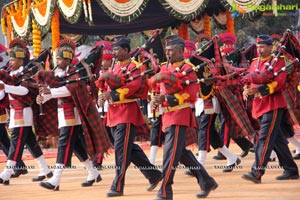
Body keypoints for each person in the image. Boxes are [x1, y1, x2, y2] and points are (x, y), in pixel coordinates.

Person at [37, 39, 111, 190]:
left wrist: (50, 92)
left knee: (64, 143)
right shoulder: (58, 74)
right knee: (76, 144)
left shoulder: (74, 73)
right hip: (62, 112)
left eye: (59, 58)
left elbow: (71, 89)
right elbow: (55, 92)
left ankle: (55, 179)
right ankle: (93, 172)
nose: (57, 60)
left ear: (67, 59)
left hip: (73, 113)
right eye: (56, 58)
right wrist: (43, 97)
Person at [150, 35, 218, 200]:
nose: (168, 53)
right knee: (180, 153)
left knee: (170, 153)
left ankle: (165, 191)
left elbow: (191, 94)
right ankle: (206, 181)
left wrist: (165, 99)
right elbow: (160, 89)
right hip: (167, 115)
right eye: (167, 50)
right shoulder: (165, 66)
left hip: (180, 114)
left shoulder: (188, 69)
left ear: (181, 51)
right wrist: (155, 99)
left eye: (171, 50)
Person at [97, 36, 162, 197]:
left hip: (127, 112)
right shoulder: (114, 66)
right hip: (113, 113)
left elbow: (132, 87)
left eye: (117, 49)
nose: (114, 52)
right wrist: (102, 95)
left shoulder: (134, 66)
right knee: (129, 149)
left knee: (121, 151)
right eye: (113, 50)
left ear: (126, 50)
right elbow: (105, 86)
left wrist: (109, 94)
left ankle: (117, 186)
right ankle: (153, 174)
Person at [241, 35, 299, 183]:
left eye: (263, 47)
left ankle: (257, 172)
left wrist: (259, 89)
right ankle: (291, 170)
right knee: (278, 140)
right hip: (259, 105)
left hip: (273, 105)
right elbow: (249, 79)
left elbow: (279, 83)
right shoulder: (254, 63)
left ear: (270, 47)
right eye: (258, 47)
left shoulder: (278, 62)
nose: (260, 50)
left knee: (264, 139)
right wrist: (246, 89)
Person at [0, 39, 52, 185]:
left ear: (21, 60)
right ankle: (45, 169)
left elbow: (25, 91)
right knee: (30, 141)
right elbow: (3, 95)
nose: (9, 62)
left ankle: (7, 172)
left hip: (23, 112)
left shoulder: (26, 73)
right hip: (14, 111)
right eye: (9, 59)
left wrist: (5, 87)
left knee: (16, 143)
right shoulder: (10, 74)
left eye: (13, 60)